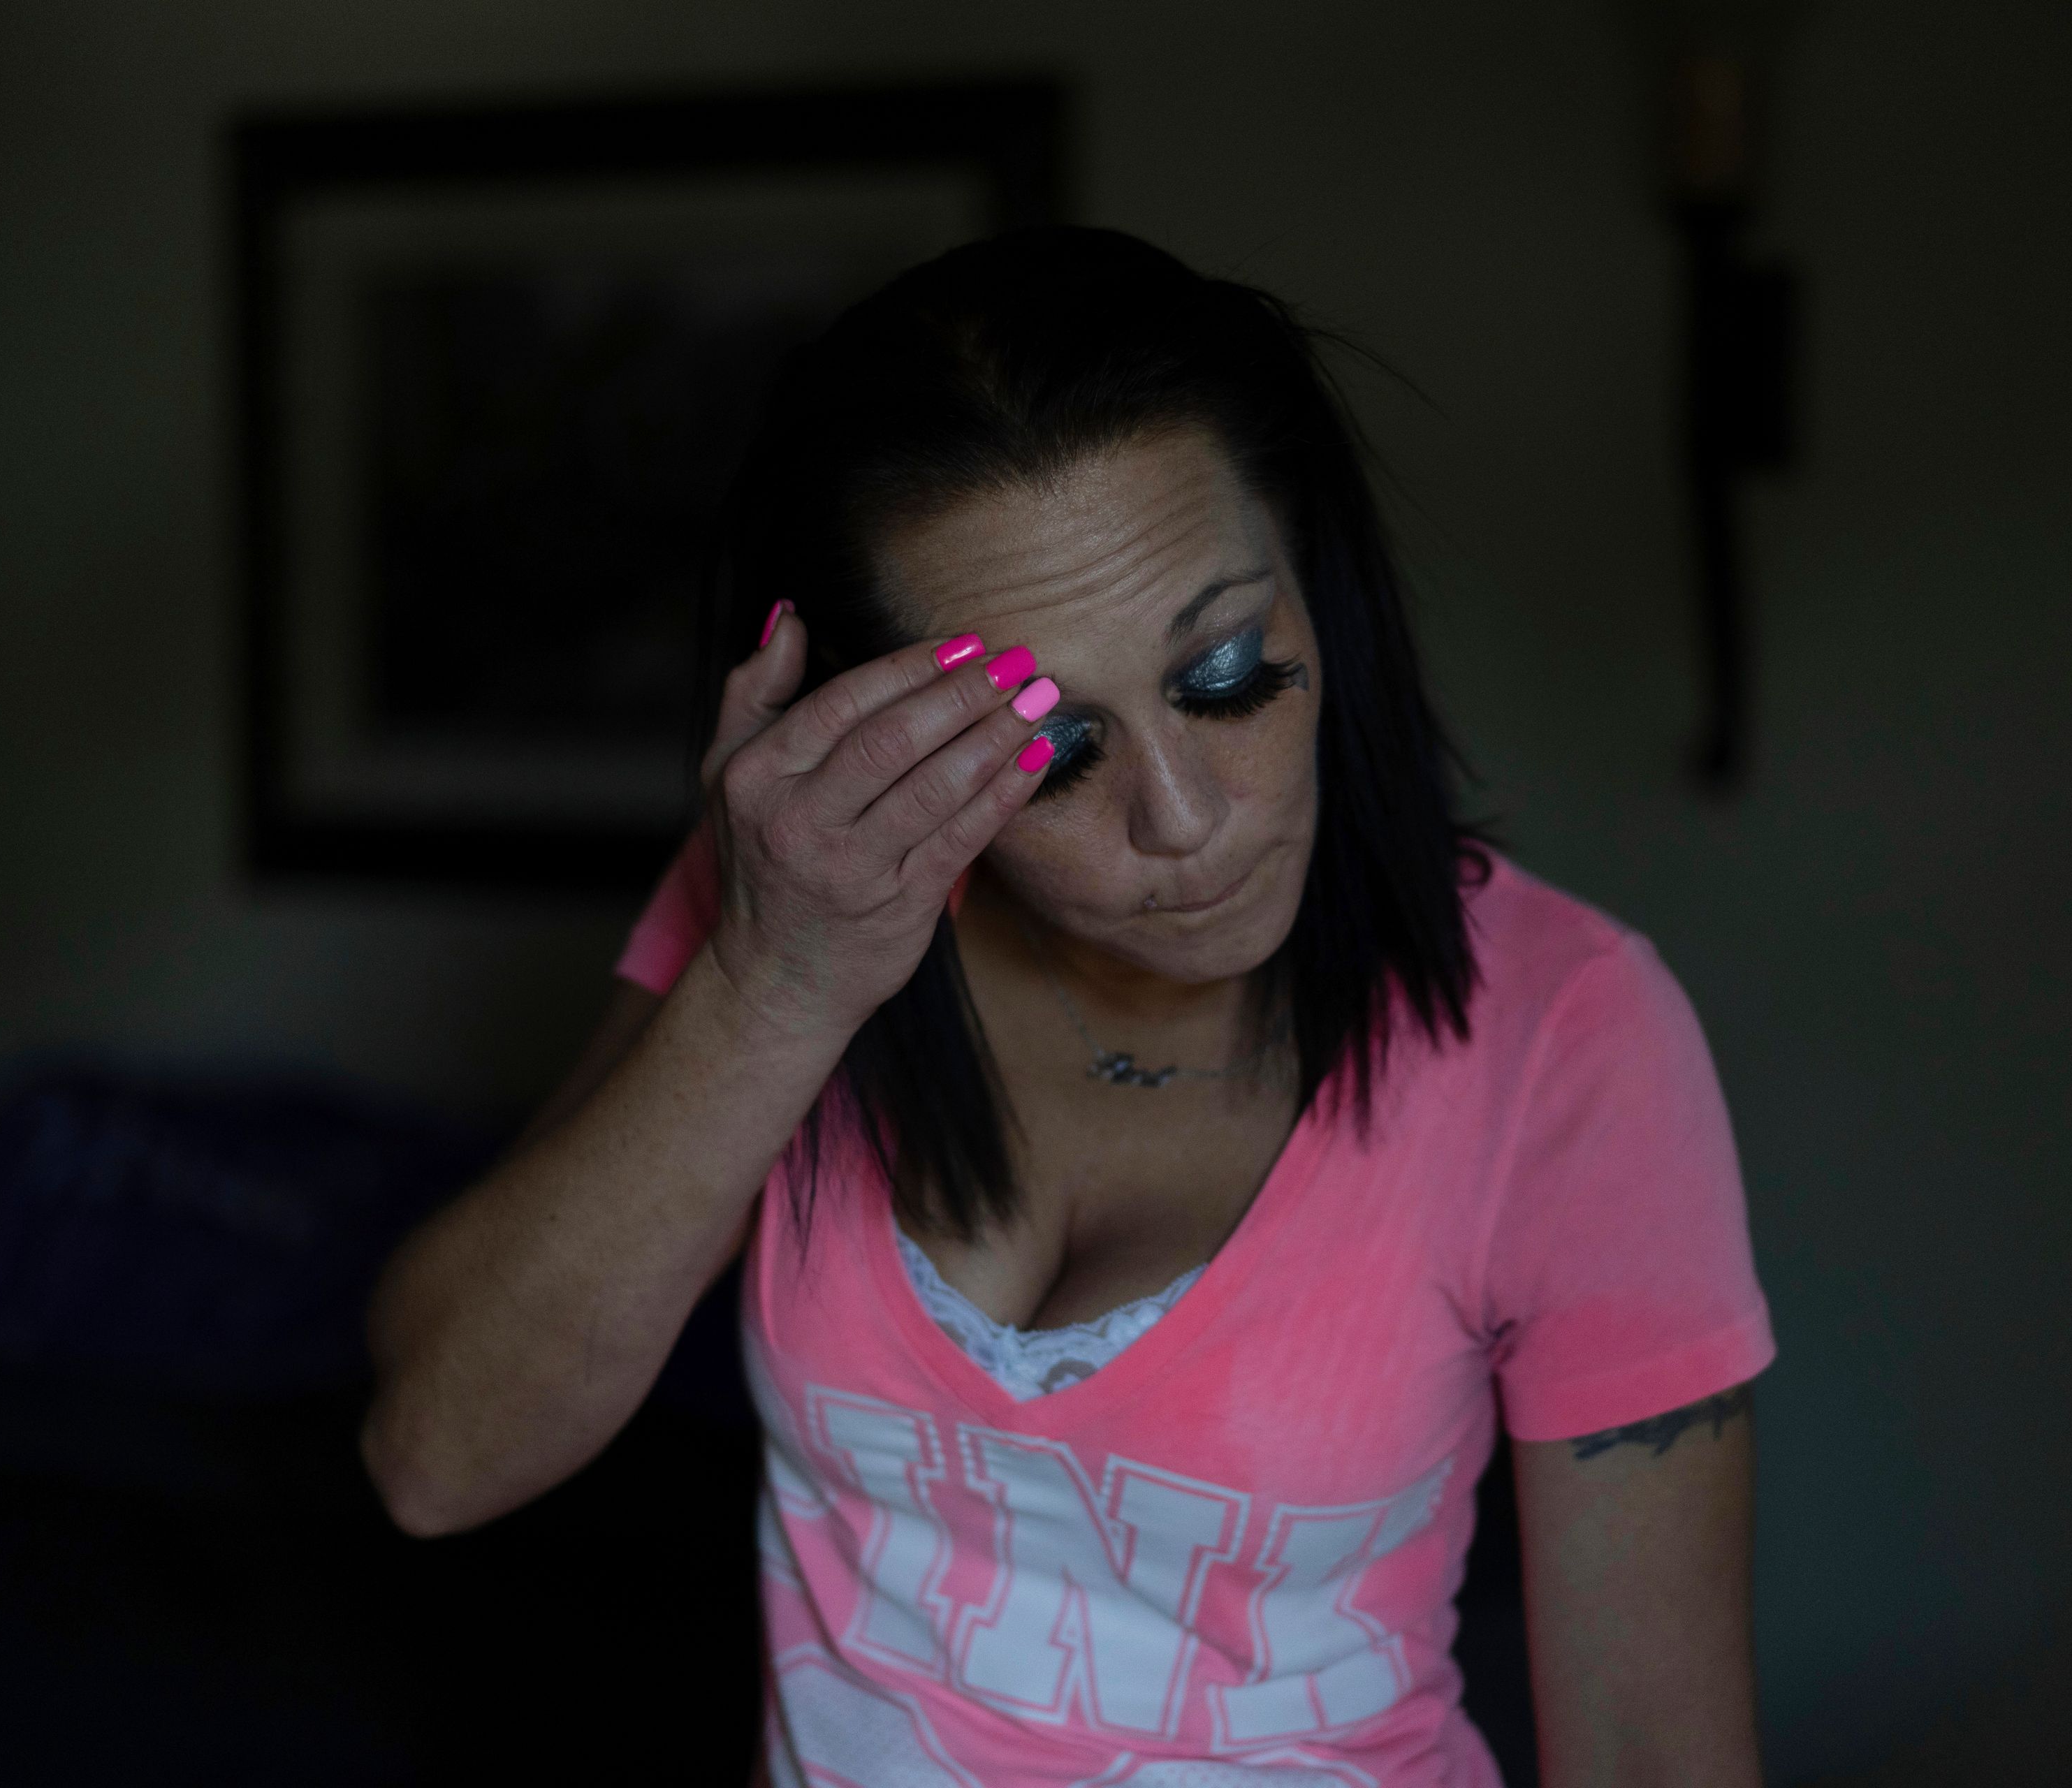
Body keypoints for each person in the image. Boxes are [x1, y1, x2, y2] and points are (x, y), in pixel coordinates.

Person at [360, 227, 1774, 1787]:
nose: (1184, 818)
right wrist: (777, 985)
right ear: (869, 722)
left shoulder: (1571, 1031)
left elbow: (1654, 1746)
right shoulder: (804, 893)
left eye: (1229, 672)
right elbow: (434, 1454)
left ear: (1325, 588)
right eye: (1051, 748)